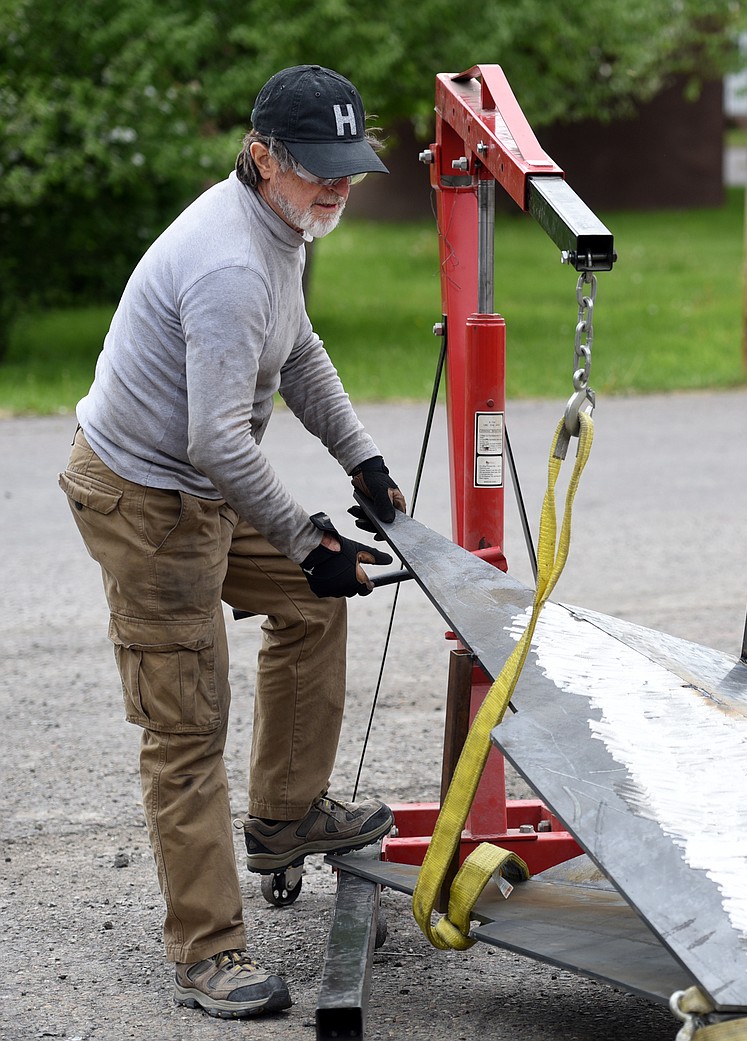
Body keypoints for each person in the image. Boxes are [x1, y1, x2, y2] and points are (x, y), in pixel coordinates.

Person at [58, 65, 408, 1019]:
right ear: (262, 159)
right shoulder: (227, 262)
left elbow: (295, 349)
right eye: (319, 170)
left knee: (312, 603)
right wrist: (305, 535)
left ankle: (286, 817)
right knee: (185, 725)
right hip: (147, 502)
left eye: (349, 168)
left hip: (205, 488)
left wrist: (363, 459)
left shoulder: (282, 229)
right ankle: (208, 949)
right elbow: (218, 442)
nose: (338, 187)